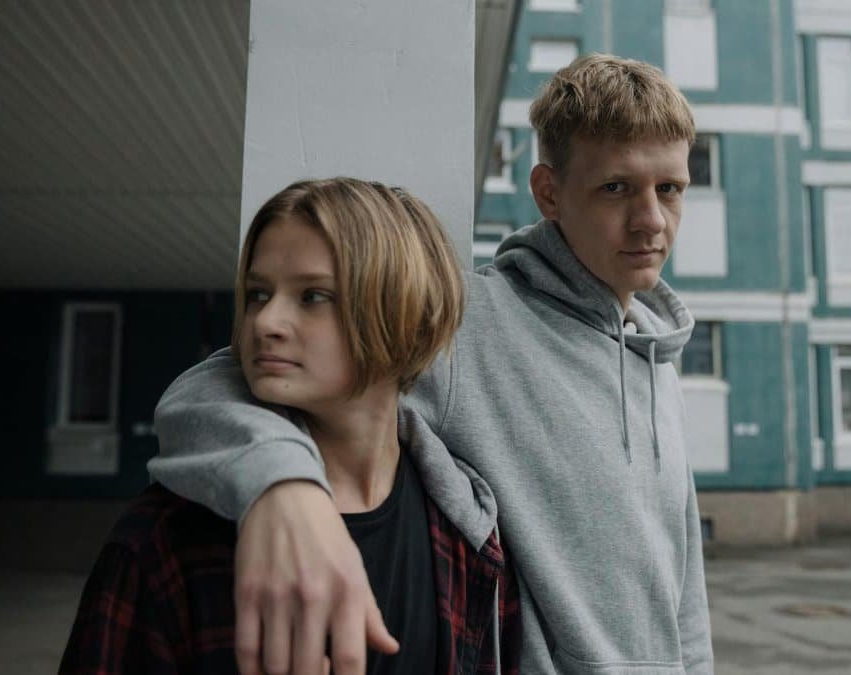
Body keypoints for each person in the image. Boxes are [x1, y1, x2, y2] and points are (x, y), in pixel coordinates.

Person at [150, 53, 714, 674]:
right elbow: (215, 389)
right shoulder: (475, 323)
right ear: (549, 193)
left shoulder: (658, 358)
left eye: (670, 189)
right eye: (617, 188)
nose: (651, 220)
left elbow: (683, 596)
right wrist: (281, 487)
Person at [60, 178, 520, 674]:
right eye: (258, 294)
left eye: (313, 296)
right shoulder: (164, 537)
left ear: (404, 312)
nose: (265, 322)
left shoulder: (468, 535)